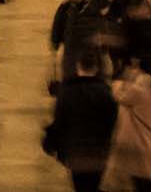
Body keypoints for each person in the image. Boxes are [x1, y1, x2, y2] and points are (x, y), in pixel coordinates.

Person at [49, 49, 118, 190]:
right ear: (97, 68)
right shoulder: (105, 93)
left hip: (76, 153)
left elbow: (60, 121)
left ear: (78, 66)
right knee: (93, 185)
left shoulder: (67, 92)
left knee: (80, 187)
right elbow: (112, 122)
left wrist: (53, 143)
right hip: (98, 154)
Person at [105, 57, 151, 191]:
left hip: (137, 145)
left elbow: (115, 94)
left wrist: (124, 79)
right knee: (144, 183)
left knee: (138, 184)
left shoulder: (138, 90)